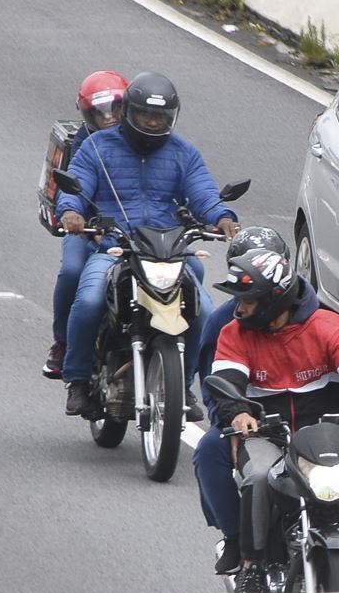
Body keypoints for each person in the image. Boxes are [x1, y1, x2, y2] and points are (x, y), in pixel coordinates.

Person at [209, 248, 339, 593]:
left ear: (273, 299)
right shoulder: (234, 334)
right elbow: (227, 386)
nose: (239, 309)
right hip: (269, 434)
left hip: (327, 436)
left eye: (248, 301)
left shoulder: (329, 327)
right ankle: (251, 568)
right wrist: (237, 413)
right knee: (256, 476)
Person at [55, 71, 239, 418]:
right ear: (128, 113)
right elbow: (75, 188)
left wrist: (222, 216)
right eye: (145, 116)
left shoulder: (184, 153)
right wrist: (71, 213)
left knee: (204, 310)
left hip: (169, 250)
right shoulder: (97, 147)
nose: (153, 123)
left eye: (160, 117)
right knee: (91, 298)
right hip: (114, 247)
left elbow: (204, 193)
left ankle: (182, 387)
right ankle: (77, 379)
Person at [43, 70, 129, 380]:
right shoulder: (85, 145)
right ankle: (62, 343)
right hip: (90, 226)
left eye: (114, 109)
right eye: (99, 112)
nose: (108, 118)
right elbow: (73, 187)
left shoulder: (147, 138)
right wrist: (74, 215)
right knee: (72, 272)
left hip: (135, 231)